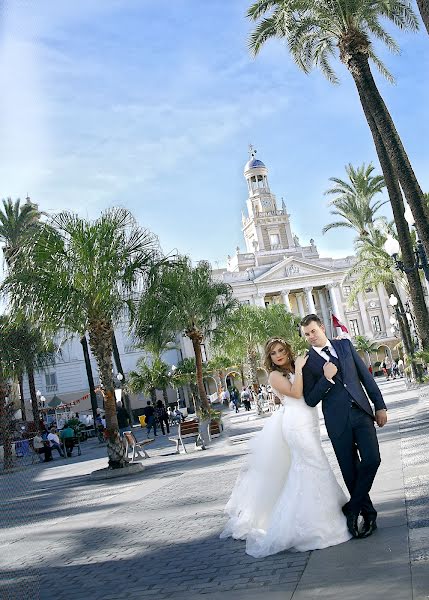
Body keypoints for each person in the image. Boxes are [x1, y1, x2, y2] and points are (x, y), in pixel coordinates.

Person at [220, 337, 351, 557]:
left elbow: (313, 386)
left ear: (287, 350)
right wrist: (299, 369)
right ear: (269, 358)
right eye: (273, 353)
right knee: (311, 466)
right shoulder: (274, 375)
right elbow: (296, 393)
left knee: (316, 464)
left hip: (309, 421)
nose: (278, 355)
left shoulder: (295, 365)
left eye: (281, 350)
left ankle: (326, 515)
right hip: (295, 425)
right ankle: (311, 525)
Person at [300, 314, 387, 539]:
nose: (310, 336)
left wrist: (380, 405)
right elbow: (310, 399)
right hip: (337, 421)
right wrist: (326, 379)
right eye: (306, 334)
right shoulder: (308, 363)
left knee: (372, 459)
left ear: (321, 328)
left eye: (313, 331)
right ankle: (368, 514)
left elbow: (366, 378)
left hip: (361, 413)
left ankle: (352, 508)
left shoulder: (345, 345)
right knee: (350, 470)